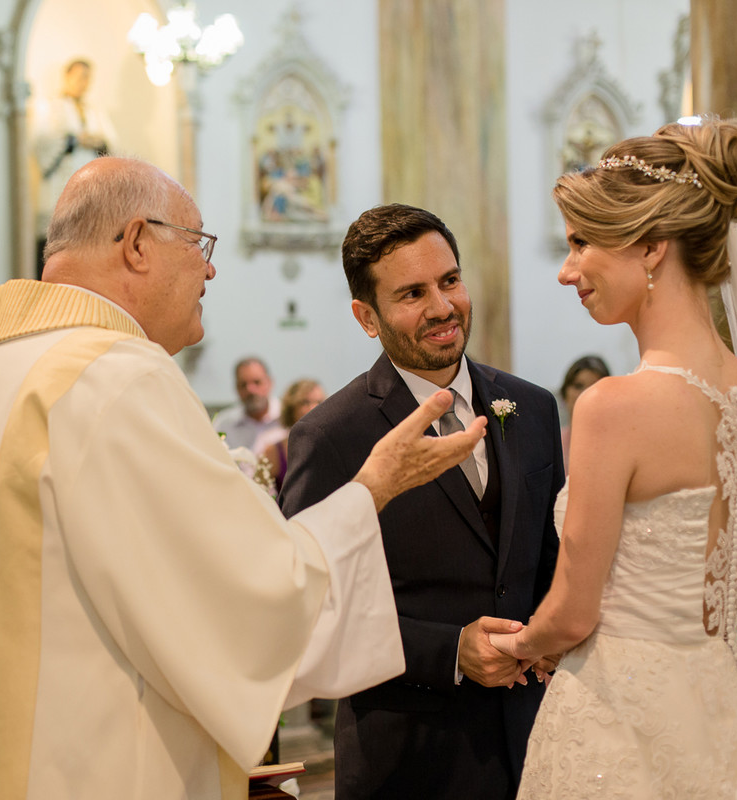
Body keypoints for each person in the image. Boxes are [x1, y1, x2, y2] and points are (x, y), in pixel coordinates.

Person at [0, 156, 487, 800]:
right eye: (199, 244)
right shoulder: (115, 377)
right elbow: (250, 604)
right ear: (139, 243)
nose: (210, 269)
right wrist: (372, 489)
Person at [489, 117, 737, 796]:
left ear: (652, 247)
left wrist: (514, 647)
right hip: (729, 709)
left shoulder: (613, 406)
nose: (567, 271)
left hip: (620, 721)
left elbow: (572, 612)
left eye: (581, 243)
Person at [280, 203, 564, 799]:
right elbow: (307, 613)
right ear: (367, 317)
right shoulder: (332, 437)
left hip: (541, 743)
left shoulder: (531, 407)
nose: (442, 307)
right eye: (412, 293)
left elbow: (549, 560)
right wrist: (449, 652)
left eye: (450, 280)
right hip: (411, 759)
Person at [31, 58, 116, 272]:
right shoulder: (51, 107)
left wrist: (96, 141)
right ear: (67, 77)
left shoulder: (94, 111)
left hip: (91, 187)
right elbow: (40, 140)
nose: (83, 82)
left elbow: (111, 142)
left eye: (87, 78)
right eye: (79, 77)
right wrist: (74, 140)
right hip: (61, 183)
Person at [257, 378, 326, 493]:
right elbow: (256, 493)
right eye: (305, 402)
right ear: (291, 408)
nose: (314, 408)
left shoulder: (332, 446)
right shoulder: (273, 451)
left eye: (319, 402)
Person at [212, 356, 282, 451]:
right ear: (236, 388)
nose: (250, 390)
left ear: (269, 383)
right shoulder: (223, 425)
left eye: (257, 382)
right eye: (243, 385)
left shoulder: (289, 418)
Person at [557, 354, 609, 471]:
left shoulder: (619, 446)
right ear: (564, 393)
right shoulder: (553, 444)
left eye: (595, 386)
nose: (585, 393)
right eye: (578, 386)